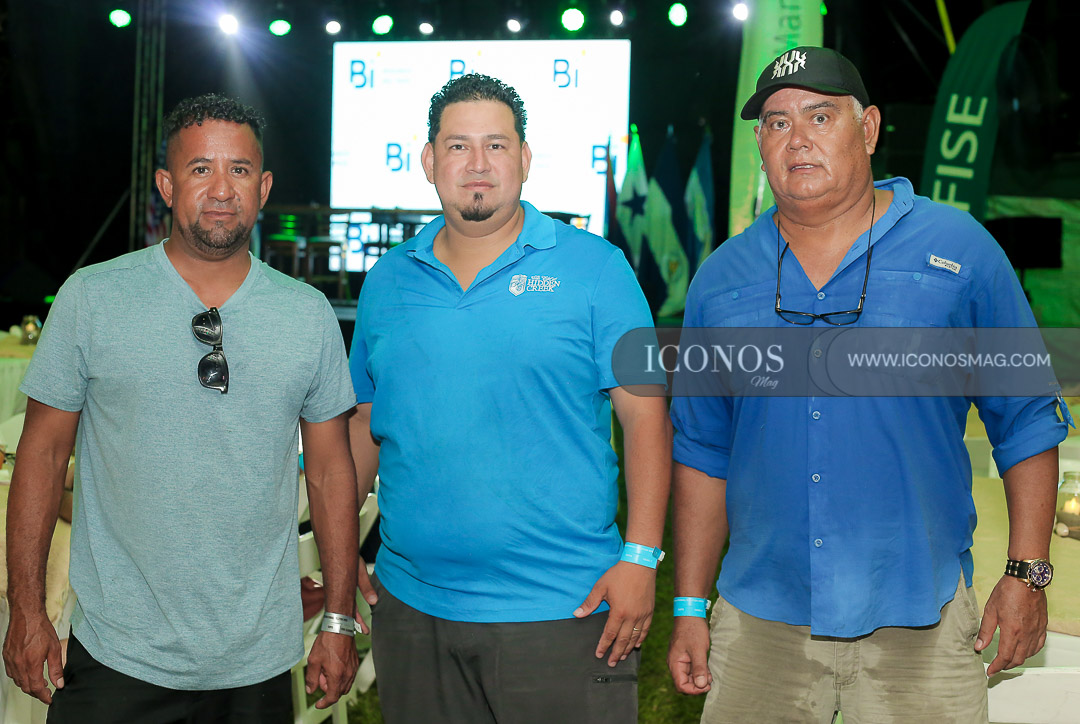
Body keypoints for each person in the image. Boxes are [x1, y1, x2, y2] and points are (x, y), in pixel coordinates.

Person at [667, 47, 1071, 723]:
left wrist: (1027, 574)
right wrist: (687, 604)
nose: (797, 138)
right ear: (760, 144)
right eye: (776, 123)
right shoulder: (722, 279)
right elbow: (704, 453)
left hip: (921, 618)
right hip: (761, 623)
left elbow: (1026, 418)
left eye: (820, 116)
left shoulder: (960, 251)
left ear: (870, 128)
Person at [3, 94, 361, 723]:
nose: (221, 189)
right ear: (167, 186)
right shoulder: (93, 298)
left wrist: (337, 619)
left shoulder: (306, 315)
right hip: (117, 655)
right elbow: (42, 454)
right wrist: (27, 610)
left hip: (256, 665)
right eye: (201, 169)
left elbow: (331, 473)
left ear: (263, 187)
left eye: (239, 170)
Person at [347, 73, 671, 723]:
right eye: (458, 146)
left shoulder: (600, 269)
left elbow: (647, 419)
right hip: (411, 608)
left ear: (523, 158)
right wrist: (339, 550)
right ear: (428, 161)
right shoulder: (387, 281)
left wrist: (640, 557)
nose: (477, 163)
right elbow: (363, 422)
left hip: (563, 609)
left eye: (495, 145)